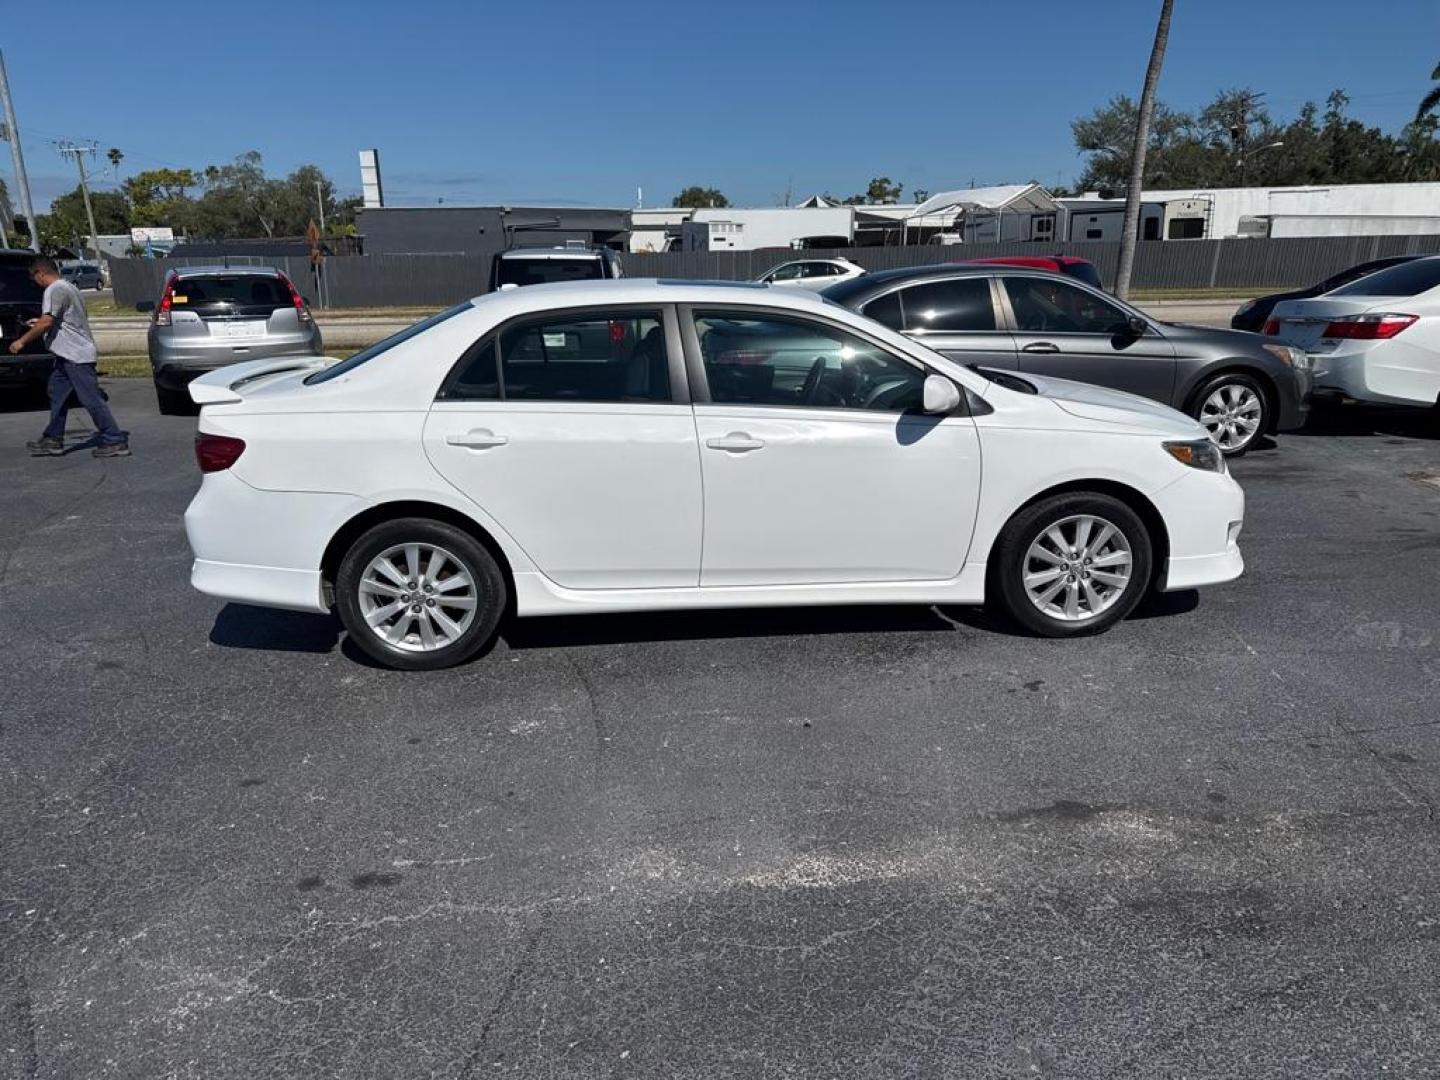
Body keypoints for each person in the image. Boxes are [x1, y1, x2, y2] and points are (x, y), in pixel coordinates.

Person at [9, 256, 130, 458]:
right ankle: (53, 438)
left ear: (41, 273)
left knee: (91, 399)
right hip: (66, 355)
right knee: (57, 392)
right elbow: (60, 320)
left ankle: (114, 439)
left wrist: (22, 341)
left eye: (34, 277)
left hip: (76, 355)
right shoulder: (68, 287)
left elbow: (48, 322)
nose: (34, 281)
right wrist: (38, 322)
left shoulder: (54, 290)